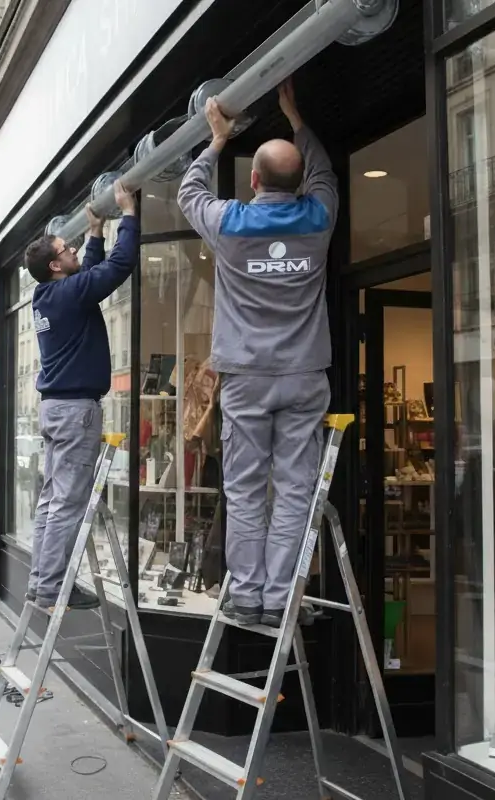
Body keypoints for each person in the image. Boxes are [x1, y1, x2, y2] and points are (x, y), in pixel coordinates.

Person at [177, 79, 337, 627]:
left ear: (253, 179)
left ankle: (247, 596)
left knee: (245, 488)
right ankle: (279, 599)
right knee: (294, 489)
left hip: (246, 376)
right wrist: (296, 118)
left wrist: (217, 139)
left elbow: (189, 193)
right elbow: (324, 174)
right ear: (300, 182)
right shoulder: (319, 217)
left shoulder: (230, 223)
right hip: (304, 375)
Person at [22, 179, 137, 611]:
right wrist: (128, 214)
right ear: (55, 265)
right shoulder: (68, 293)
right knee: (67, 504)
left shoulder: (46, 295)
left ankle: (40, 582)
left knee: (52, 501)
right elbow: (118, 266)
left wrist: (94, 234)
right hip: (74, 412)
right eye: (65, 248)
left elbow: (85, 276)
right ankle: (53, 589)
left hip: (55, 409)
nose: (72, 249)